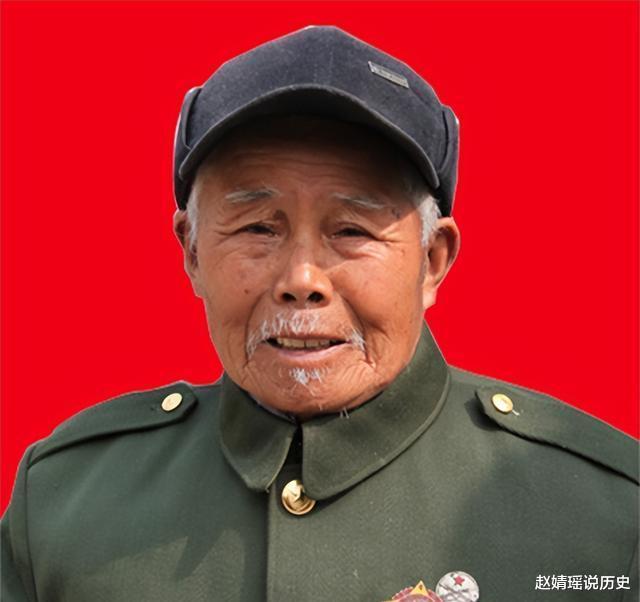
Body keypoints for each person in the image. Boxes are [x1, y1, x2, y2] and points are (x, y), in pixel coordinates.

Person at [2, 26, 637, 602]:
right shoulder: (66, 506)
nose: (301, 281)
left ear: (433, 260)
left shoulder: (604, 518)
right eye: (256, 227)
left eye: (352, 230)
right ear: (192, 252)